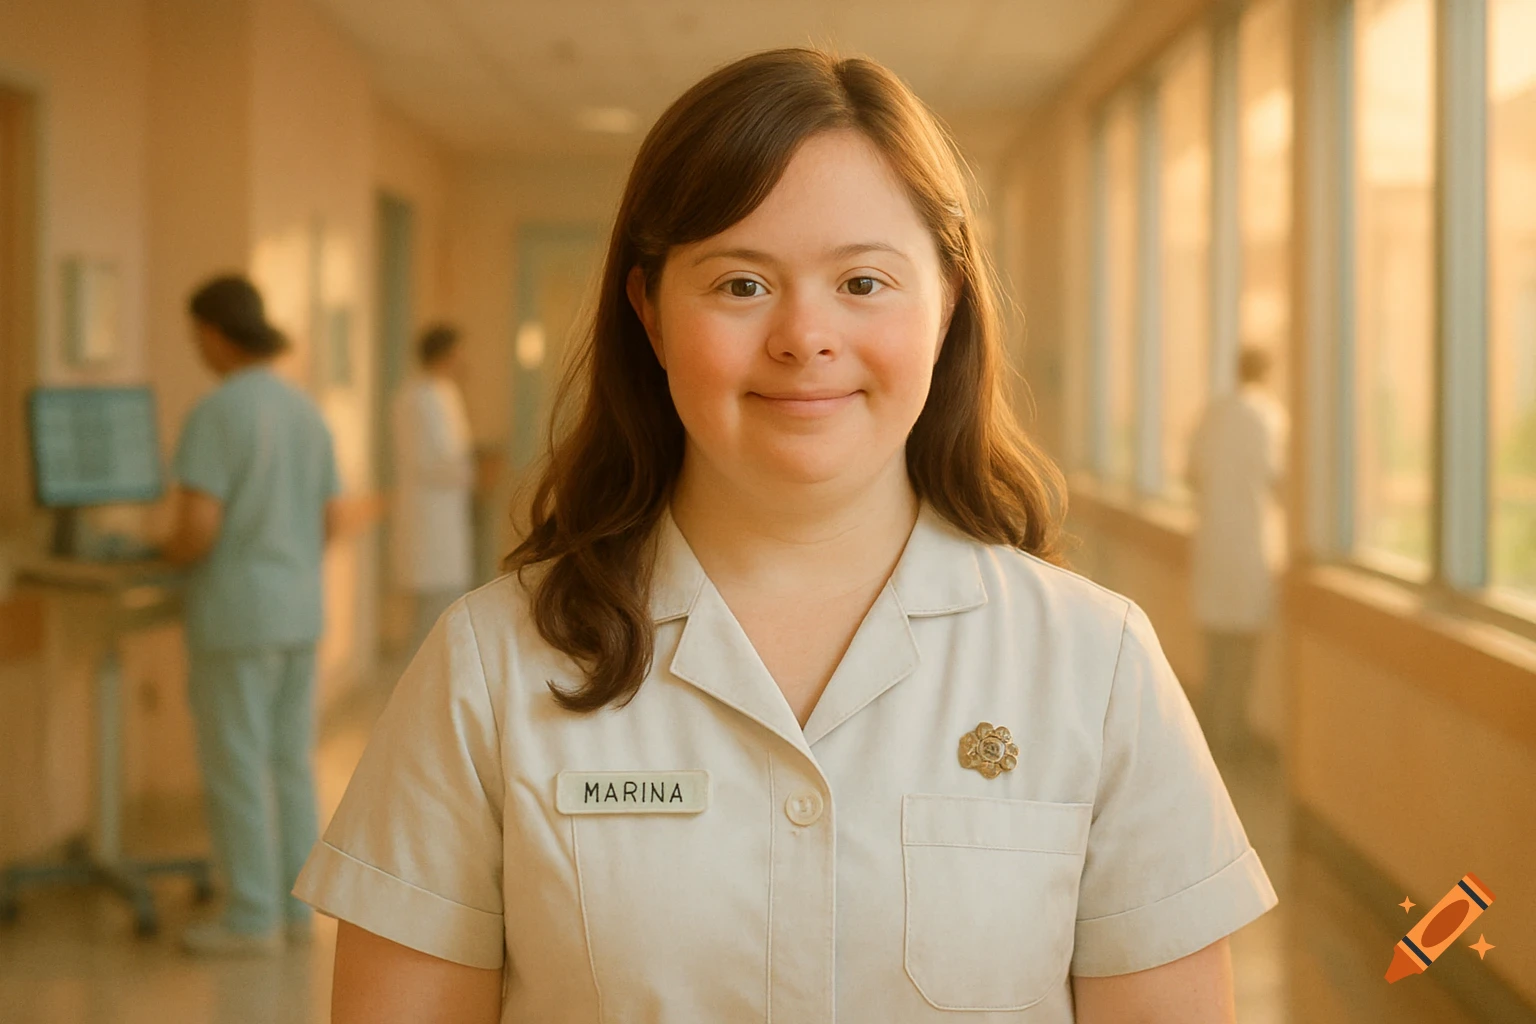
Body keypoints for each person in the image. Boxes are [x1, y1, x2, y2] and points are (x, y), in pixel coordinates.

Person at [296, 49, 1277, 1023]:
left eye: (863, 282)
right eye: (740, 285)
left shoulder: (1093, 665)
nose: (804, 336)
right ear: (649, 311)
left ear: (946, 304)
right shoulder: (491, 667)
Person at [161, 274, 342, 956]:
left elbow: (197, 528)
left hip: (238, 615)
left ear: (213, 332)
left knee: (237, 762)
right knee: (289, 760)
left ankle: (250, 917)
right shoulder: (305, 410)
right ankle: (295, 912)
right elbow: (329, 519)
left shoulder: (217, 412)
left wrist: (163, 549)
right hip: (298, 608)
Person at [1187, 344, 1289, 759]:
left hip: (1213, 543)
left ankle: (1212, 739)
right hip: (1251, 548)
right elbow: (1280, 480)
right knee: (1243, 654)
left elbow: (1192, 475)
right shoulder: (1270, 417)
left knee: (1215, 654)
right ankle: (1231, 741)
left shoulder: (1213, 414)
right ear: (1268, 372)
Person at [390, 323, 476, 654]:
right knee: (432, 615)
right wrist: (470, 470)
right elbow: (436, 461)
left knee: (441, 608)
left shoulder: (438, 394)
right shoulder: (422, 398)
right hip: (430, 517)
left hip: (440, 515)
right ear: (447, 354)